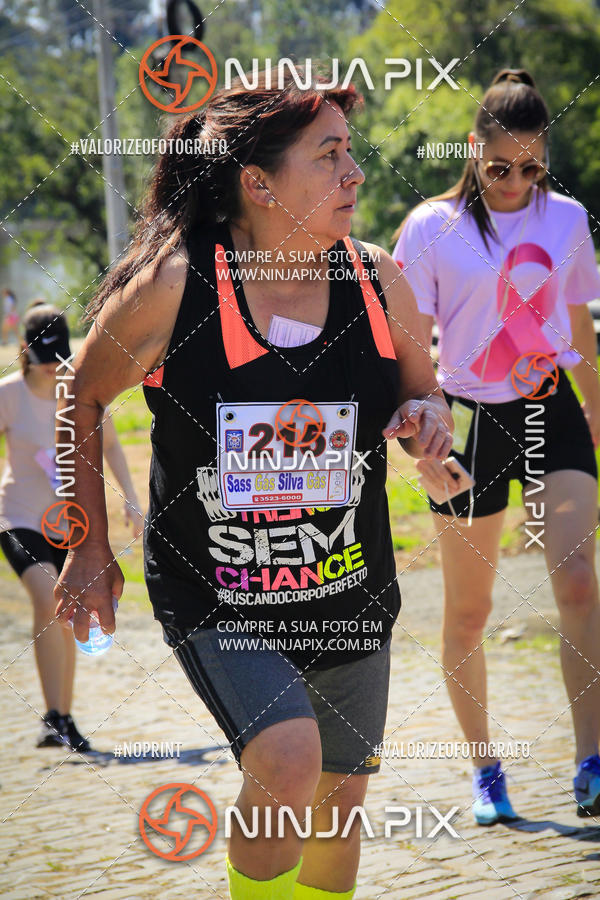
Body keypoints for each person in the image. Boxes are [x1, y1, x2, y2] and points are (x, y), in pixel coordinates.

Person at [54, 70, 453, 899]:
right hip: (220, 594)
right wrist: (85, 547)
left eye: (352, 153)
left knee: (339, 805)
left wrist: (428, 422)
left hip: (349, 587)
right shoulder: (176, 285)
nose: (357, 174)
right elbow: (82, 392)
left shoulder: (377, 280)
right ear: (258, 182)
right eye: (331, 155)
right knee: (287, 758)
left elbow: (425, 388)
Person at [393, 68, 600, 825]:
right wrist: (422, 441)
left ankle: (592, 759)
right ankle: (485, 770)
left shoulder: (567, 219)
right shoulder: (429, 228)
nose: (516, 182)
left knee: (577, 582)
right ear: (473, 149)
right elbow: (411, 350)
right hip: (470, 423)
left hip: (553, 413)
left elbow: (577, 330)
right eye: (499, 167)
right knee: (469, 614)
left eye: (532, 167)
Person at [0, 302, 143, 751]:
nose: (51, 370)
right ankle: (52, 715)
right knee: (47, 596)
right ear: (23, 351)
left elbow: (113, 447)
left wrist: (133, 501)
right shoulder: (7, 395)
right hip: (19, 518)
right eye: (42, 360)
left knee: (65, 612)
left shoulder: (79, 388)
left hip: (70, 525)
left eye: (58, 359)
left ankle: (60, 718)